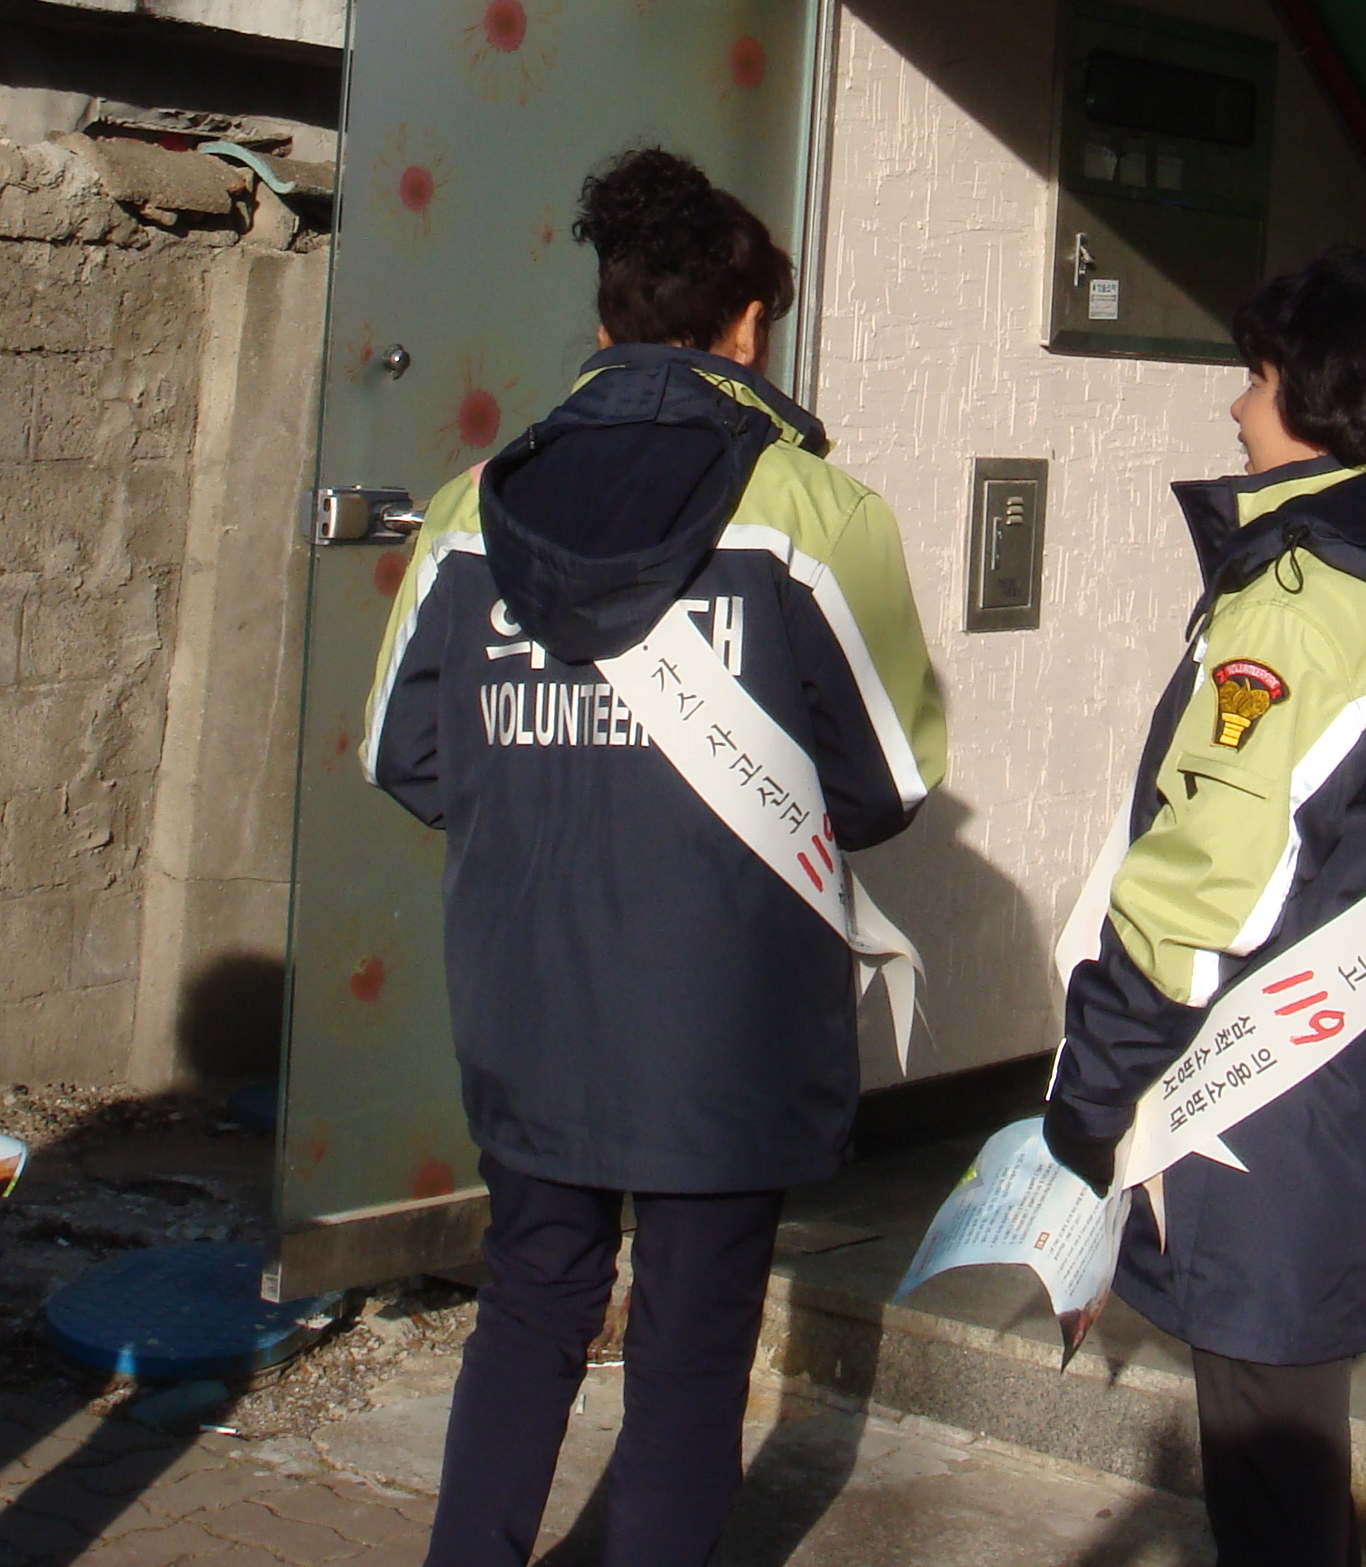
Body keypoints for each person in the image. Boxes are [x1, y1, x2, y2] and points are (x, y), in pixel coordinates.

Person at [367, 147, 944, 1567]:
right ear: (746, 328)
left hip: (529, 990)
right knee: (692, 1344)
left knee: (530, 1300)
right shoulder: (817, 513)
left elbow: (406, 754)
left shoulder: (471, 508)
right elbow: (888, 779)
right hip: (726, 1014)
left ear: (607, 317)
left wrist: (551, 808)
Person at [1044, 245, 1366, 1567]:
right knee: (1295, 1467)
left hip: (1268, 1116)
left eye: (1259, 376)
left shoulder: (1304, 604)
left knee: (1271, 1482)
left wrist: (1089, 1098)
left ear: (1327, 399)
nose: (1236, 407)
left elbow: (1202, 891)